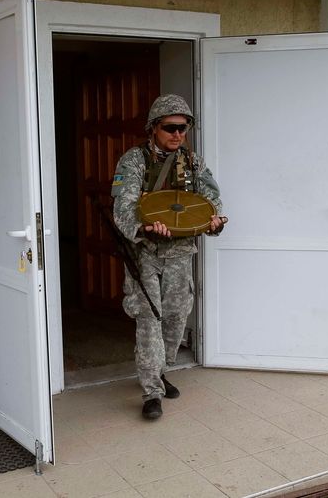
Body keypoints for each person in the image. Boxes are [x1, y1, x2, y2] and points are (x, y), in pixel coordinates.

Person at [111, 94, 226, 420]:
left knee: (176, 317)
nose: (178, 134)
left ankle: (160, 369)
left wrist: (214, 221)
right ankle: (151, 393)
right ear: (153, 128)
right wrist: (144, 229)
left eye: (183, 128)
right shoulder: (133, 162)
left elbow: (211, 199)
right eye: (170, 128)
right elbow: (123, 207)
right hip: (145, 254)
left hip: (179, 253)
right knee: (149, 320)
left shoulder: (192, 163)